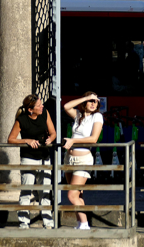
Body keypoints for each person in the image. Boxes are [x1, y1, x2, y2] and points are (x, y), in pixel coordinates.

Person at [7, 94, 56, 229]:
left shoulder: (45, 113)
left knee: (45, 190)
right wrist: (26, 140)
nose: (42, 106)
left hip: (44, 157)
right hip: (28, 157)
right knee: (26, 190)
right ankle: (24, 222)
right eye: (39, 105)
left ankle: (48, 221)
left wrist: (50, 139)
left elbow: (53, 132)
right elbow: (11, 139)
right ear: (30, 109)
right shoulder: (21, 120)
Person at [63, 92, 105, 230]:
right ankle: (80, 223)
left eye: (95, 101)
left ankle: (85, 224)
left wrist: (73, 140)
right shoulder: (79, 116)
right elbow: (66, 106)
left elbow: (93, 139)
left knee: (72, 194)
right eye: (90, 101)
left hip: (83, 159)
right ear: (85, 103)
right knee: (77, 194)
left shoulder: (97, 116)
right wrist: (86, 97)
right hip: (69, 158)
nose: (93, 103)